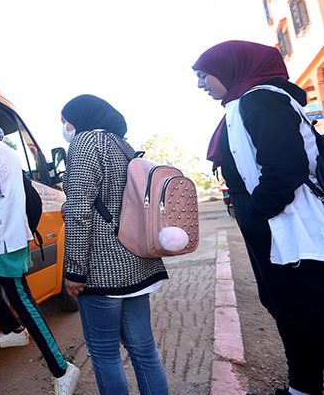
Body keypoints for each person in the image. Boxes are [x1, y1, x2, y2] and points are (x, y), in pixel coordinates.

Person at [193, 40, 324, 395]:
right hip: (273, 225)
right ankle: (303, 388)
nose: (201, 84)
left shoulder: (259, 100)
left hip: (289, 224)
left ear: (229, 68)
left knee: (308, 311)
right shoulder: (243, 103)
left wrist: (256, 213)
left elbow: (285, 168)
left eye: (204, 75)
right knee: (287, 309)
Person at [0, 114, 80, 395]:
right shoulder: (8, 151)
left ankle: (61, 368)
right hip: (9, 233)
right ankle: (13, 330)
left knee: (22, 300)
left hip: (1, 238)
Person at [61, 95, 170, 395]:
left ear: (81, 117)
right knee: (144, 350)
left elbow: (79, 209)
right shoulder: (122, 145)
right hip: (137, 261)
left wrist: (75, 270)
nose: (65, 127)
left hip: (102, 268)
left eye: (65, 120)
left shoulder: (85, 142)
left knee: (104, 352)